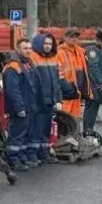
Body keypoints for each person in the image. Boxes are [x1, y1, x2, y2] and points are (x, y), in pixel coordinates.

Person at [2, 38, 38, 169]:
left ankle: (21, 157)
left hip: (28, 106)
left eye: (29, 48)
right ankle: (12, 159)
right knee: (16, 135)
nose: (28, 51)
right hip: (20, 108)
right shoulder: (13, 66)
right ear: (18, 49)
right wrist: (19, 108)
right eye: (25, 48)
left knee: (25, 134)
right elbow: (13, 90)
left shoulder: (28, 63)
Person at [28, 33, 63, 163]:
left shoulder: (53, 59)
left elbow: (57, 81)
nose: (48, 46)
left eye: (50, 44)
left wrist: (58, 99)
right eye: (45, 44)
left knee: (46, 129)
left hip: (50, 101)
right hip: (38, 101)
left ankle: (44, 153)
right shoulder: (33, 58)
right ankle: (33, 154)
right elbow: (32, 83)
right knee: (36, 129)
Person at [57, 28, 93, 123]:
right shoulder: (59, 52)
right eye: (71, 36)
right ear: (65, 37)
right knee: (64, 120)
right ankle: (64, 137)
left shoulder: (81, 52)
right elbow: (58, 73)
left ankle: (73, 137)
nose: (74, 38)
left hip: (77, 94)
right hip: (66, 94)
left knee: (75, 121)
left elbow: (85, 72)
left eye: (76, 36)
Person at [82, 30, 102, 135]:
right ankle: (87, 130)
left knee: (92, 107)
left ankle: (88, 129)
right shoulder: (93, 50)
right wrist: (100, 82)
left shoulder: (97, 50)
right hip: (94, 85)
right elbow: (94, 67)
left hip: (96, 84)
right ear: (99, 40)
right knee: (92, 108)